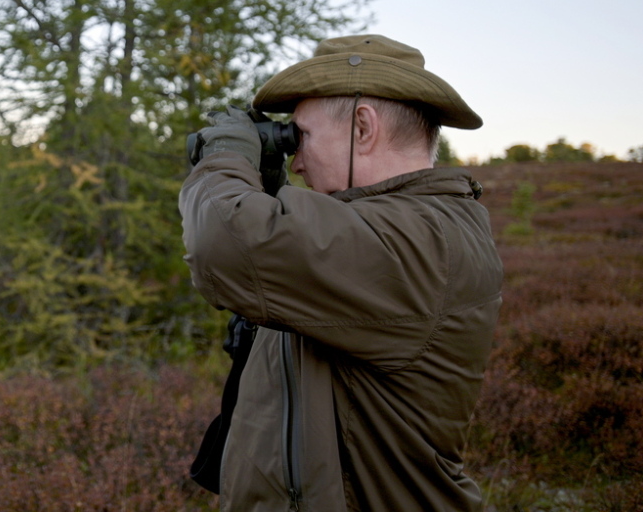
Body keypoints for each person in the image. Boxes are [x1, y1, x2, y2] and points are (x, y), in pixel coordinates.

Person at [179, 35, 504, 511]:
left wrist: (225, 156)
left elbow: (224, 244)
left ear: (363, 128)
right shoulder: (398, 227)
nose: (297, 161)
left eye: (302, 137)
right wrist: (267, 186)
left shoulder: (422, 240)